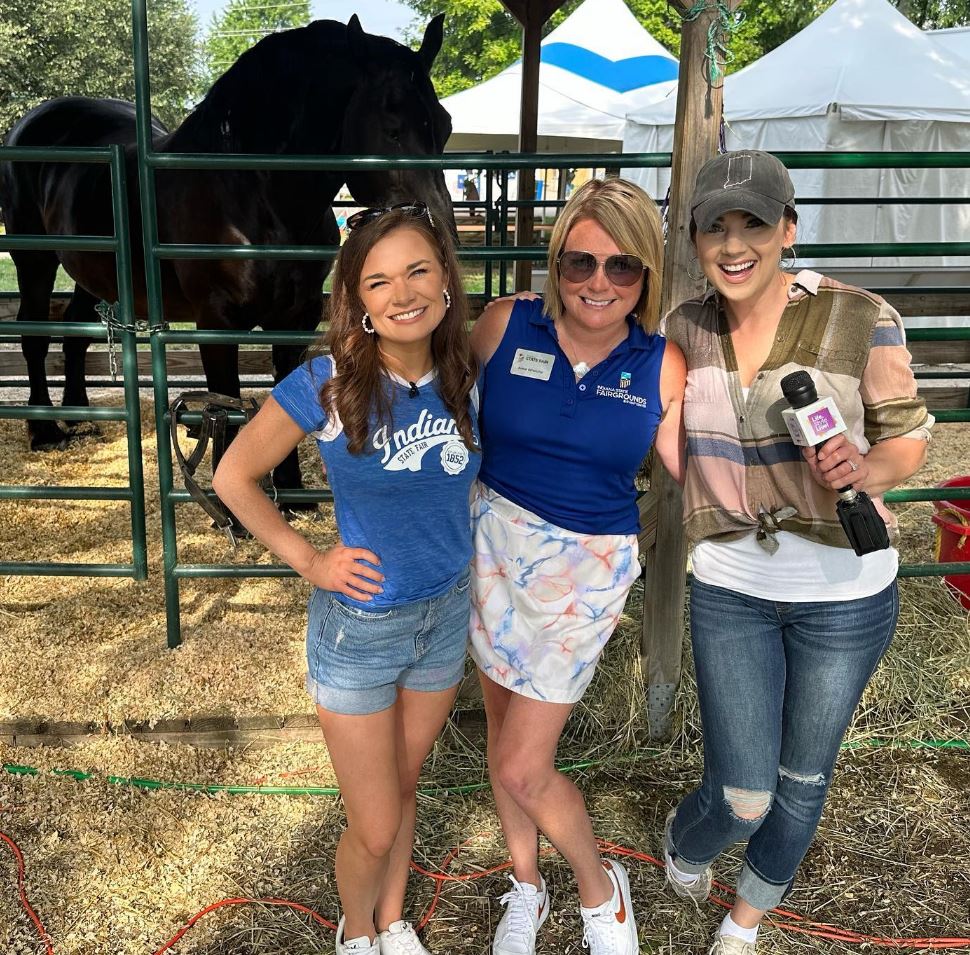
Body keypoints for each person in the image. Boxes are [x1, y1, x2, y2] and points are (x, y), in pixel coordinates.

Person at [661, 150, 933, 955]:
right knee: (743, 793)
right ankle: (687, 841)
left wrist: (867, 466)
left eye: (754, 223)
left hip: (847, 589)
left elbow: (909, 436)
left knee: (803, 778)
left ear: (788, 229)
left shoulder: (860, 314)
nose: (735, 243)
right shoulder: (685, 327)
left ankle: (745, 918)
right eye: (717, 226)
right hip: (730, 584)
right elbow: (664, 429)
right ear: (697, 238)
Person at [212, 202, 480, 955]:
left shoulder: (465, 371)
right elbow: (234, 475)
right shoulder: (326, 383)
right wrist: (309, 558)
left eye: (418, 270)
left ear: (446, 279)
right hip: (362, 627)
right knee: (375, 820)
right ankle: (354, 931)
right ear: (357, 301)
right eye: (379, 280)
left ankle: (391, 919)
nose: (403, 293)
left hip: (444, 614)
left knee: (403, 786)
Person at [469, 177, 687, 955]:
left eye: (622, 267)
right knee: (504, 741)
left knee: (526, 766)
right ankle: (526, 884)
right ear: (555, 262)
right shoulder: (502, 326)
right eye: (579, 263)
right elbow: (426, 396)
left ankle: (602, 893)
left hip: (586, 570)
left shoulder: (662, 365)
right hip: (492, 547)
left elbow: (702, 471)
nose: (599, 283)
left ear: (647, 274)